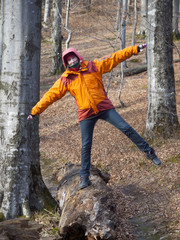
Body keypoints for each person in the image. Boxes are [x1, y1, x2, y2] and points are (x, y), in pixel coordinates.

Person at [27, 44, 162, 189]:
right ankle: (84, 177)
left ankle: (149, 152)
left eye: (73, 58)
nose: (72, 61)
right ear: (66, 64)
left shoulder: (93, 66)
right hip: (86, 114)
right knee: (86, 145)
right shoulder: (66, 79)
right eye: (69, 60)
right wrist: (35, 111)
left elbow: (115, 57)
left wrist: (135, 49)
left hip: (104, 108)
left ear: (77, 56)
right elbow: (50, 96)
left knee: (125, 127)